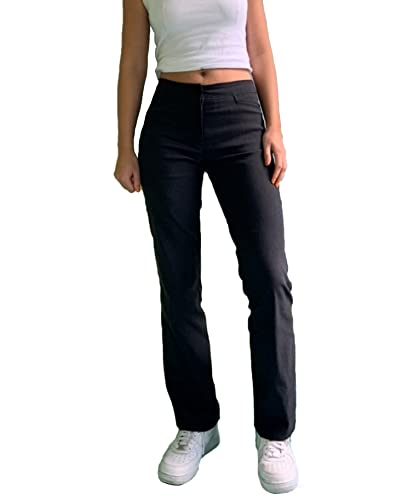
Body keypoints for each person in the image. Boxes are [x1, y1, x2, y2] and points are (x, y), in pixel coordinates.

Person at [114, 0, 298, 494]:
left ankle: (275, 433)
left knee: (269, 276)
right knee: (178, 283)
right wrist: (125, 145)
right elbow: (132, 59)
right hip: (169, 123)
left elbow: (259, 49)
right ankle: (196, 424)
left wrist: (275, 126)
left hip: (239, 112)